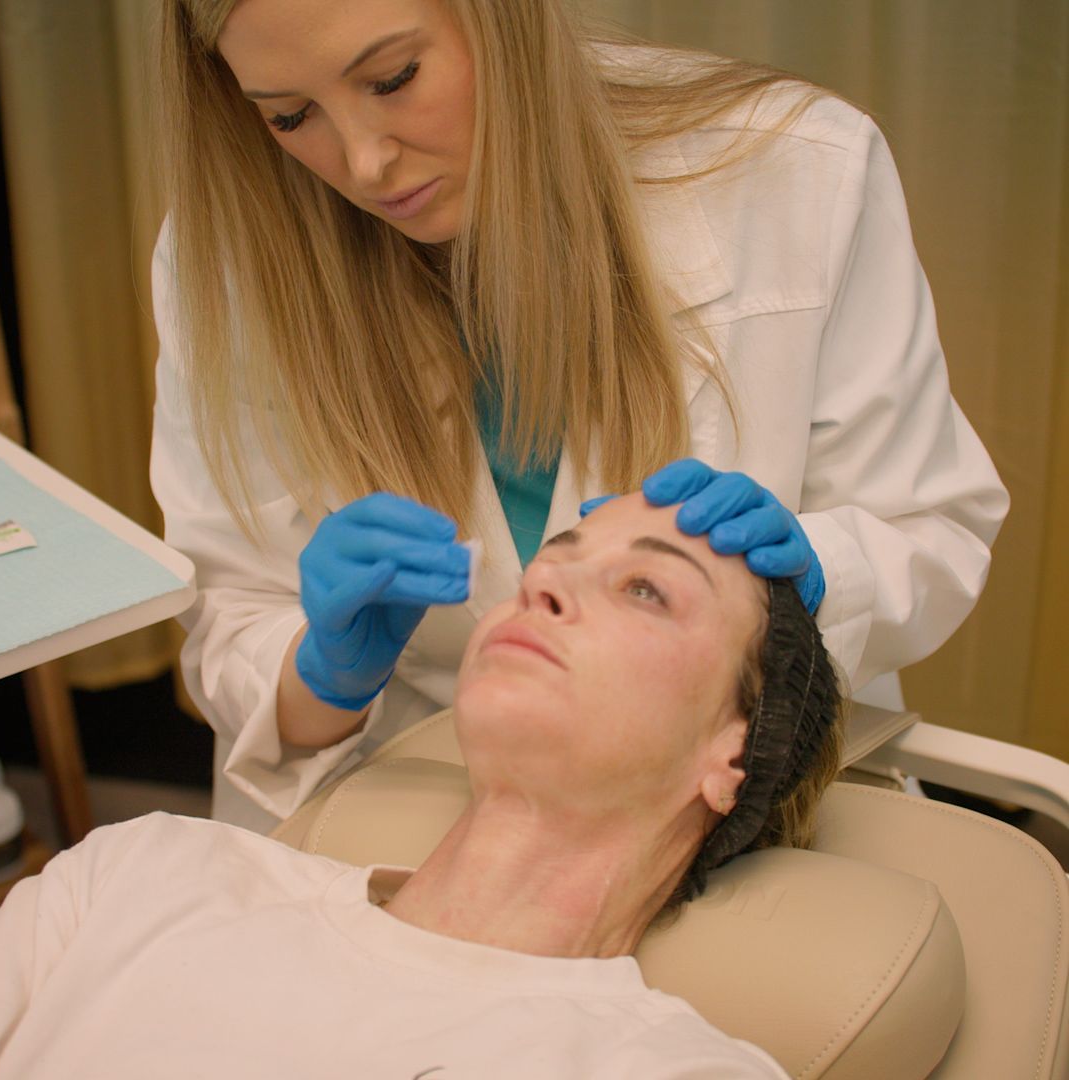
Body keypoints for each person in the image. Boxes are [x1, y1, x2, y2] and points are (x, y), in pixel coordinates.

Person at [149, 0, 1008, 821]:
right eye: (291, 116)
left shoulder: (797, 168)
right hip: (415, 793)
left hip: (735, 797)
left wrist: (813, 573)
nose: (366, 161)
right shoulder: (229, 259)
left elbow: (932, 530)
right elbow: (234, 617)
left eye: (393, 77)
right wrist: (322, 676)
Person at [0, 495, 842, 1079]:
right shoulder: (145, 871)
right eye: (552, 561)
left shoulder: (664, 1069)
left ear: (735, 751)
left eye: (646, 590)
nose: (542, 583)